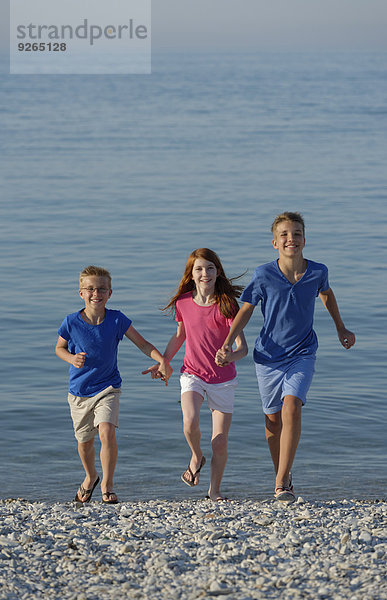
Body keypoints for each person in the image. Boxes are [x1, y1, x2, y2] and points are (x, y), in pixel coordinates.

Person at [217, 212, 355, 502]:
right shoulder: (264, 274)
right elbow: (246, 310)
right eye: (284, 234)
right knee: (272, 421)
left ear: (305, 239)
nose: (291, 238)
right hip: (268, 356)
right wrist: (228, 343)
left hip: (303, 352)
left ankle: (281, 481)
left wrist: (341, 328)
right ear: (274, 242)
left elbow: (327, 294)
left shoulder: (318, 271)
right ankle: (282, 472)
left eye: (296, 233)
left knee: (292, 405)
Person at [56, 265, 172, 504]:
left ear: (110, 293)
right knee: (84, 442)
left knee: (106, 431)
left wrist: (161, 360)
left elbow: (142, 344)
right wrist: (71, 358)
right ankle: (91, 477)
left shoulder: (117, 319)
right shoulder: (71, 322)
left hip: (108, 387)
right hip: (79, 392)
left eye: (101, 289)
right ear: (81, 293)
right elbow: (59, 348)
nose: (95, 293)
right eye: (90, 289)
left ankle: (107, 486)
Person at [144, 249, 247, 502]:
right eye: (199, 269)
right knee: (189, 422)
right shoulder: (183, 303)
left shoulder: (228, 305)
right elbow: (181, 335)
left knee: (220, 442)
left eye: (210, 268)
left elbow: (242, 348)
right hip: (192, 374)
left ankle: (214, 491)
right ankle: (195, 456)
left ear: (218, 272)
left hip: (223, 380)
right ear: (191, 274)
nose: (205, 273)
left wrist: (228, 357)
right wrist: (163, 362)